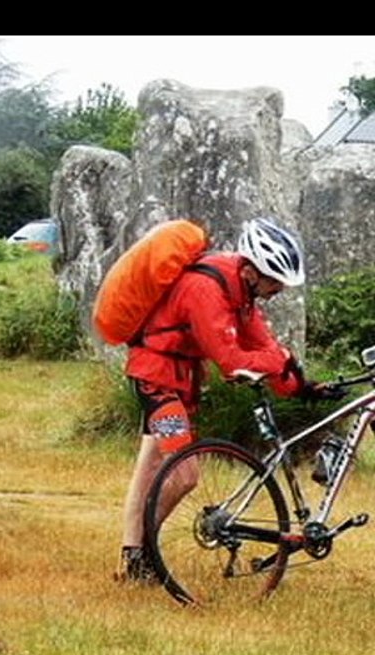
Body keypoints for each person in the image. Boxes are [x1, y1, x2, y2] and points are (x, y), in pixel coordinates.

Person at [115, 217, 340, 583]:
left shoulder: (240, 292)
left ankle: (132, 558)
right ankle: (144, 553)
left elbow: (264, 346)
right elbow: (233, 364)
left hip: (180, 381)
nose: (278, 289)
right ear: (252, 271)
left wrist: (301, 385)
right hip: (157, 381)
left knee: (150, 469)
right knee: (184, 474)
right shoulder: (206, 291)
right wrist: (279, 362)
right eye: (274, 281)